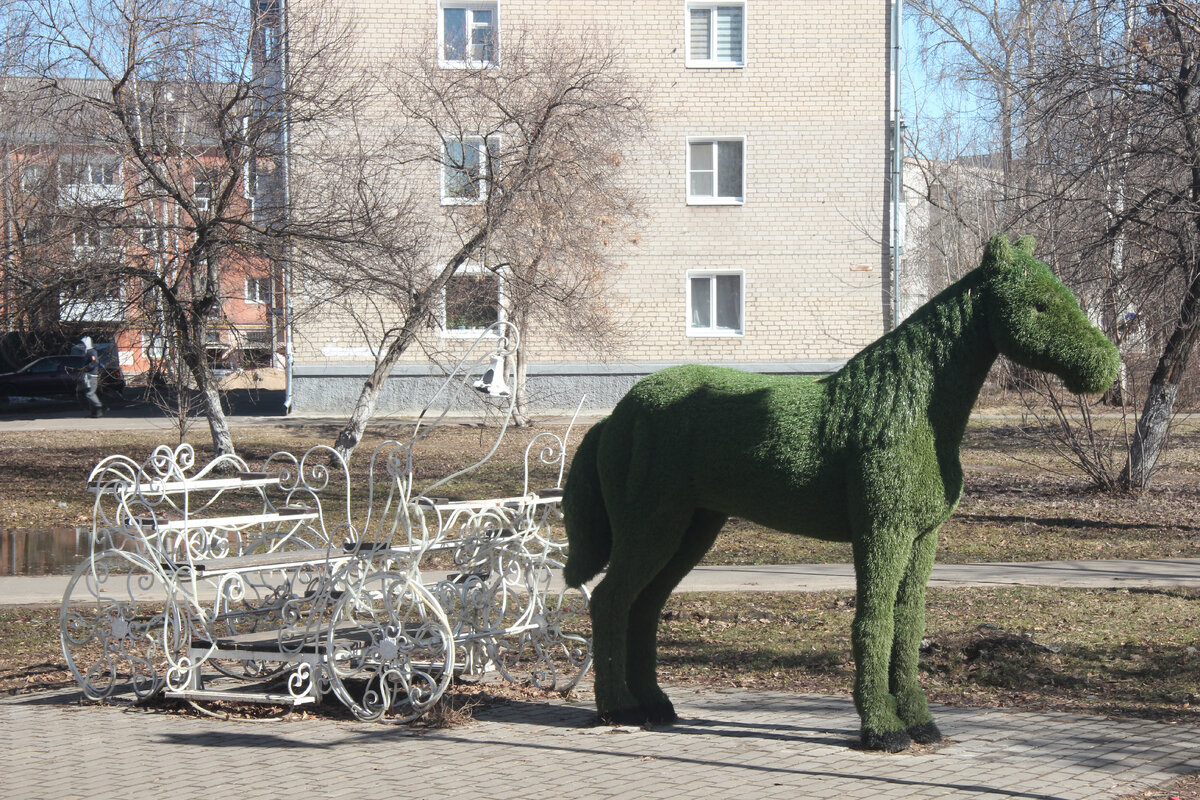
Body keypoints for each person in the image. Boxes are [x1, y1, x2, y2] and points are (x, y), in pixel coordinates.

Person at [79, 336, 103, 418]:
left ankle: (99, 408)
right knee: (88, 393)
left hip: (92, 375)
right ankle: (94, 412)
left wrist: (86, 368)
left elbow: (95, 361)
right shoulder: (87, 352)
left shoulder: (92, 352)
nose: (82, 346)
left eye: (83, 344)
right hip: (88, 375)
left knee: (90, 393)